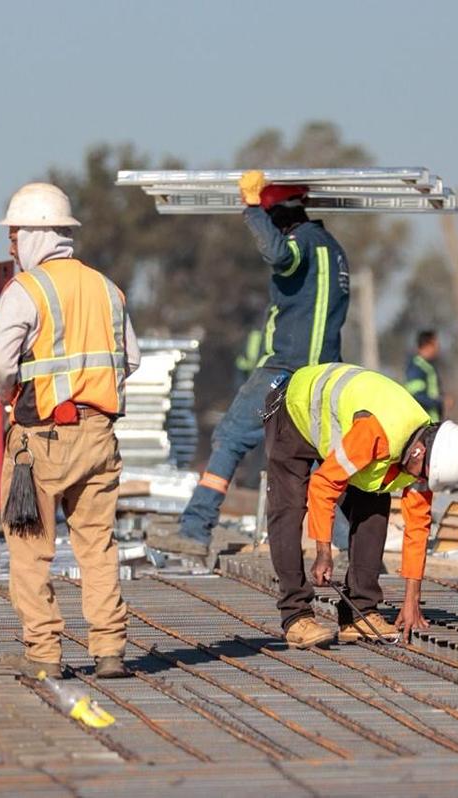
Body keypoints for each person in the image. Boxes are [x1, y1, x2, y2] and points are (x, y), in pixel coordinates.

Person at [0, 182, 140, 680]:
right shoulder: (107, 289)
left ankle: (44, 654)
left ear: (33, 234)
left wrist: (12, 394)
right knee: (97, 545)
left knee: (31, 550)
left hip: (41, 439)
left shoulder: (25, 291)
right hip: (99, 437)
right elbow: (130, 359)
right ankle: (110, 649)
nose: (11, 244)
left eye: (14, 235)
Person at [166, 170, 350, 552]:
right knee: (321, 460)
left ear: (280, 215)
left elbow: (278, 254)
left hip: (286, 369)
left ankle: (195, 530)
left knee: (231, 438)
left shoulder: (300, 242)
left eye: (271, 220)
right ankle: (351, 548)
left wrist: (251, 209)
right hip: (326, 374)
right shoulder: (334, 250)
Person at [262, 362, 458, 648]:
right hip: (294, 409)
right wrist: (323, 551)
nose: (421, 482)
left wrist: (411, 600)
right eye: (423, 474)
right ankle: (296, 616)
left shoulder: (424, 456)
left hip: (339, 427)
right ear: (420, 451)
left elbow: (418, 529)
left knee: (374, 505)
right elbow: (323, 485)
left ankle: (360, 612)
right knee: (288, 511)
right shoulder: (376, 434)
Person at [404, 329, 444, 421]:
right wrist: (439, 402)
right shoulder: (417, 367)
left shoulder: (428, 366)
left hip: (434, 420)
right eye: (436, 344)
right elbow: (416, 395)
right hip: (426, 424)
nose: (438, 348)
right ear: (427, 345)